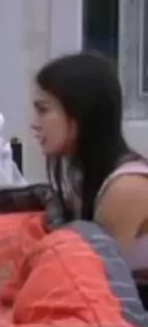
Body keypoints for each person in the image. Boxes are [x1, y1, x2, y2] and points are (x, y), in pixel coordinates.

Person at [32, 51, 148, 274]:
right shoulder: (84, 178)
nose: (35, 124)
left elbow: (97, 279)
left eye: (43, 110)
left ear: (81, 113)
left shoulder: (127, 188)